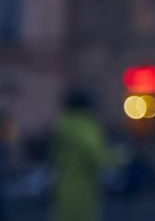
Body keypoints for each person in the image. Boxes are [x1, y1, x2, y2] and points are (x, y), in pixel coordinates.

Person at [49, 90, 111, 221]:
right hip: (83, 189)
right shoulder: (86, 128)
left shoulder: (62, 126)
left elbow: (53, 155)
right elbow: (96, 157)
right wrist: (122, 156)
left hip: (62, 186)